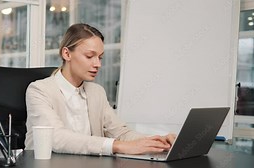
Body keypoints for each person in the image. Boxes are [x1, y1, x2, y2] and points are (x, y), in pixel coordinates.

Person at [24, 23, 176, 155]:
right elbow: (55, 137)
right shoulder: (39, 90)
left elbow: (120, 133)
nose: (98, 64)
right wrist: (118, 146)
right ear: (67, 53)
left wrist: (156, 140)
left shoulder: (97, 92)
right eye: (90, 56)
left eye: (100, 57)